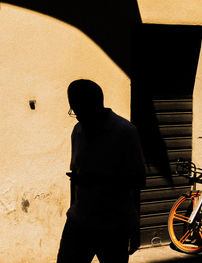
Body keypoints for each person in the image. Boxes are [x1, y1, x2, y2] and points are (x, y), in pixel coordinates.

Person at [57, 79, 146, 263]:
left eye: (79, 109)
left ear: (95, 104)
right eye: (74, 110)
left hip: (114, 227)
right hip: (78, 224)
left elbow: (136, 182)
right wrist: (73, 208)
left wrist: (134, 229)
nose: (77, 115)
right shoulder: (78, 131)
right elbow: (75, 177)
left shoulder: (125, 132)